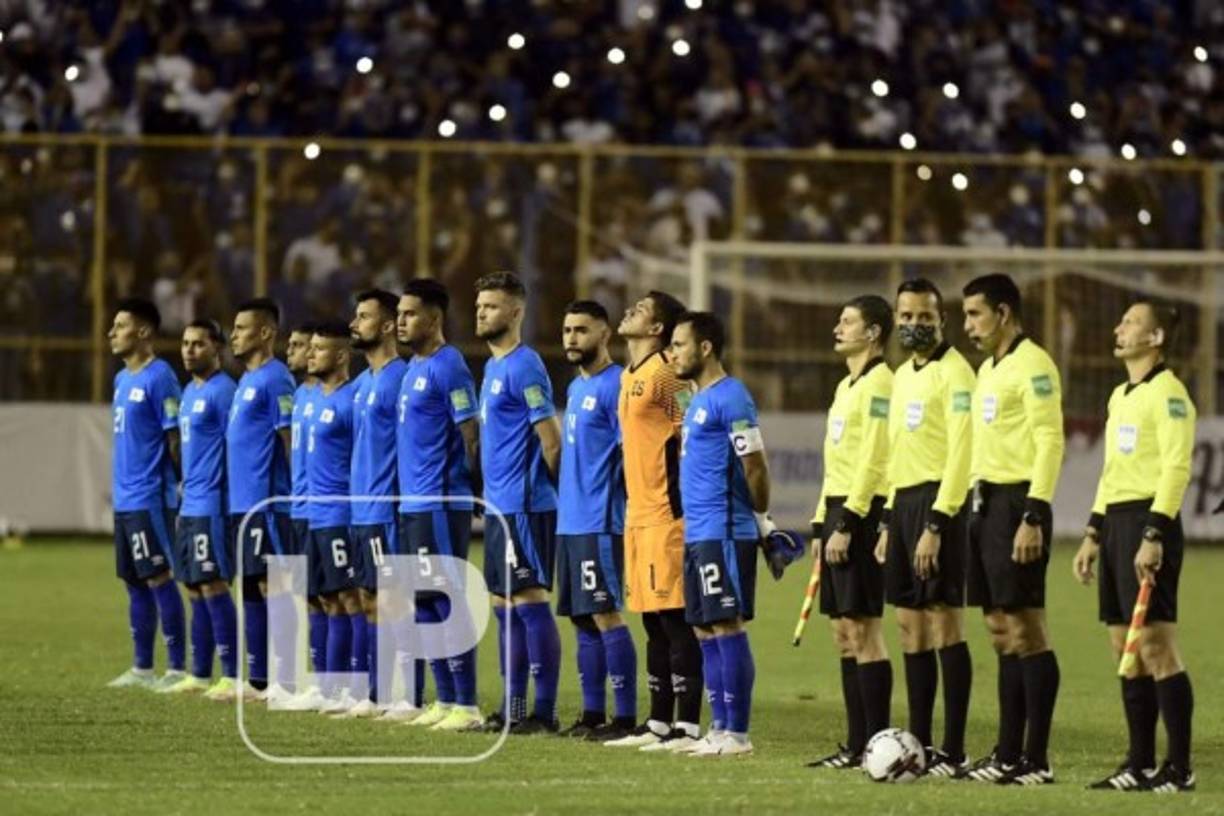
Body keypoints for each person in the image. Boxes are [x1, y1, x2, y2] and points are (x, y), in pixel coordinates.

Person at [1074, 300, 1197, 793]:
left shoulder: (1170, 394)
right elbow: (1111, 472)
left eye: (1131, 323)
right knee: (1124, 646)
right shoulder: (1119, 396)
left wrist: (1154, 533)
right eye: (1121, 320)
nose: (1118, 328)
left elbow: (1176, 468)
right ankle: (1139, 763)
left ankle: (1179, 768)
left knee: (1156, 644)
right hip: (1117, 524)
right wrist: (1093, 532)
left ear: (1156, 338)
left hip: (1150, 523)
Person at [959, 274, 1064, 785]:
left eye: (974, 314)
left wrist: (1034, 514)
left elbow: (1050, 441)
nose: (967, 325)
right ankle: (1007, 753)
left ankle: (1036, 759)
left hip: (1018, 504)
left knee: (1027, 629)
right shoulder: (987, 369)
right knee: (1001, 632)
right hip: (984, 506)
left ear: (1003, 313)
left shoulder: (1035, 364)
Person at [875, 279, 975, 775]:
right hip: (906, 505)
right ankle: (919, 744)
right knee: (909, 626)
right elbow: (899, 452)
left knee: (942, 621)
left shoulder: (956, 373)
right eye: (907, 316)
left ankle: (953, 750)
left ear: (942, 320)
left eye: (925, 317)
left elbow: (963, 451)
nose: (915, 324)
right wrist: (890, 520)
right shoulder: (901, 376)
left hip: (941, 504)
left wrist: (938, 521)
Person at [671, 311, 776, 757]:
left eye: (679, 344)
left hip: (724, 530)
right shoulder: (696, 399)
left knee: (725, 624)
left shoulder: (732, 397)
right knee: (703, 629)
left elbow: (755, 466)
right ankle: (719, 728)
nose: (672, 353)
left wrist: (760, 517)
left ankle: (738, 733)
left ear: (705, 347)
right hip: (698, 532)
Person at [606, 292, 705, 752]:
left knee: (674, 619)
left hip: (667, 512)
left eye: (641, 309)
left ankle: (688, 725)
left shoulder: (667, 371)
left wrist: (687, 499)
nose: (630, 310)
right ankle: (659, 722)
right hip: (637, 513)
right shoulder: (630, 374)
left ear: (657, 327)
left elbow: (692, 428)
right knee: (650, 620)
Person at [807, 295, 895, 769]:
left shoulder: (882, 383)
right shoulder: (846, 385)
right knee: (843, 631)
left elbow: (875, 459)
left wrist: (848, 522)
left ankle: (877, 744)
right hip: (839, 510)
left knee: (864, 629)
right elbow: (835, 462)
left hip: (861, 512)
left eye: (848, 321)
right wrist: (821, 523)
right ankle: (856, 744)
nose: (837, 328)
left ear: (873, 332)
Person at [475, 270, 564, 734]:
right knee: (503, 602)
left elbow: (551, 440)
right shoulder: (493, 368)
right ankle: (513, 708)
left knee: (529, 598)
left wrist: (554, 494)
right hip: (500, 505)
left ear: (515, 312)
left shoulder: (526, 366)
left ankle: (543, 713)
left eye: (490, 306)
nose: (481, 313)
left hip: (525, 505)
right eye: (479, 306)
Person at [394, 278, 484, 730]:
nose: (401, 321)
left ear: (433, 319)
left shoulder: (450, 367)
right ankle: (446, 699)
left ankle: (466, 704)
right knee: (425, 601)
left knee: (446, 597)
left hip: (439, 500)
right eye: (399, 314)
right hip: (414, 503)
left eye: (409, 314)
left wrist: (473, 487)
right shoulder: (413, 367)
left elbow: (471, 434)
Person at [554, 300, 637, 741]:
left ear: (605, 334)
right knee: (582, 618)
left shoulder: (616, 385)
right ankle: (591, 714)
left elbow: (629, 453)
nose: (572, 338)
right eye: (567, 330)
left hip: (600, 519)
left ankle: (624, 717)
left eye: (581, 330)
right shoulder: (575, 387)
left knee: (605, 613)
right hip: (570, 520)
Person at [106, 297, 186, 692]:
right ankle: (142, 668)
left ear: (143, 332)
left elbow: (175, 437)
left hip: (150, 496)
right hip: (124, 497)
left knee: (159, 577)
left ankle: (177, 668)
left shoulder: (161, 377)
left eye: (120, 326)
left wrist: (180, 481)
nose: (111, 332)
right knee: (134, 581)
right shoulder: (122, 379)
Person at [226, 298, 296, 701]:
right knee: (251, 586)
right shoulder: (246, 381)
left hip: (267, 503)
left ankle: (285, 679)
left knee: (275, 587)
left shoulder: (276, 379)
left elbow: (288, 439)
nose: (233, 335)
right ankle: (258, 680)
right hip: (242, 503)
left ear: (266, 332)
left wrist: (291, 493)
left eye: (241, 328)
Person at [166, 320, 240, 701]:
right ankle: (199, 673)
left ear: (217, 348)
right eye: (185, 343)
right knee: (194, 587)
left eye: (198, 344)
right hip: (190, 501)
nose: (189, 350)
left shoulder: (224, 391)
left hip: (213, 503)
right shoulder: (188, 391)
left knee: (213, 583)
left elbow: (236, 446)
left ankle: (232, 675)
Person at [344, 290, 409, 718]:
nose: (354, 323)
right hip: (360, 508)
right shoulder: (362, 383)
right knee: (368, 599)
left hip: (387, 509)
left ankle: (406, 694)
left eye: (363, 316)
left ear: (387, 326)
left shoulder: (399, 377)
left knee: (394, 601)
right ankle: (377, 692)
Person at [301, 323, 362, 713]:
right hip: (314, 515)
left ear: (341, 355)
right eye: (310, 348)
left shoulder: (351, 399)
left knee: (350, 599)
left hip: (341, 515)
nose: (310, 355)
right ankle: (328, 685)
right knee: (325, 598)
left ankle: (354, 688)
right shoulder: (312, 399)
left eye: (319, 349)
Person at [280, 322, 329, 711]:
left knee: (340, 598)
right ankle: (319, 680)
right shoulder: (300, 396)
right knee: (311, 598)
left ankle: (341, 682)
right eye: (299, 345)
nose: (299, 352)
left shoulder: (340, 396)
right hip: (299, 509)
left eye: (306, 346)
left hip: (328, 511)